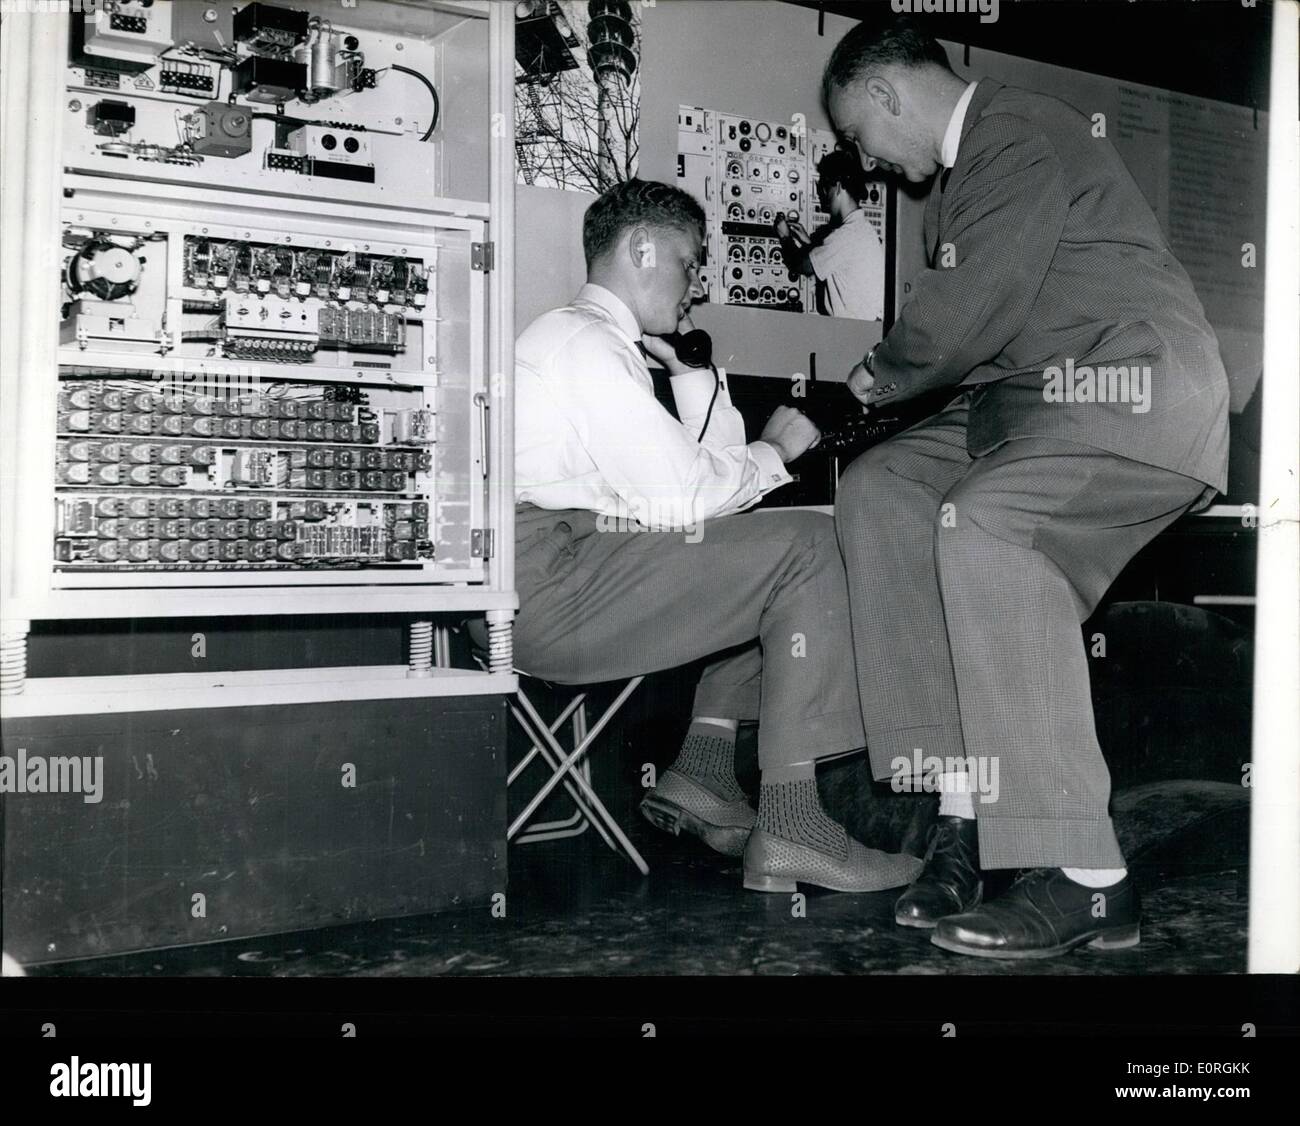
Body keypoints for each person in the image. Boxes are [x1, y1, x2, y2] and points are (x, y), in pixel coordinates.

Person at [823, 17, 1229, 958]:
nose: (865, 160)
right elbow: (981, 346)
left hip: (1134, 388)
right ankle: (964, 817)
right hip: (1029, 400)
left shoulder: (1015, 132)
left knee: (988, 526)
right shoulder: (956, 185)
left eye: (856, 135)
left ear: (885, 93)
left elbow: (959, 318)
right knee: (883, 492)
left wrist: (856, 389)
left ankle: (1088, 878)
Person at [513, 178, 920, 894]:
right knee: (812, 548)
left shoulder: (598, 344)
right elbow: (682, 500)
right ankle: (793, 825)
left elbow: (708, 514)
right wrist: (778, 450)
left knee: (791, 542)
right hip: (554, 583)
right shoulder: (582, 341)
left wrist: (694, 376)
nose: (697, 285)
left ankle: (705, 770)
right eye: (690, 262)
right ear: (642, 248)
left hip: (573, 567)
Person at [774, 148, 886, 321]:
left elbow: (800, 265)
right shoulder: (861, 229)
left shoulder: (847, 235)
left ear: (838, 187)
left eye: (826, 188)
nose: (823, 196)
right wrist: (809, 243)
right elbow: (836, 263)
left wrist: (784, 237)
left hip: (852, 331)